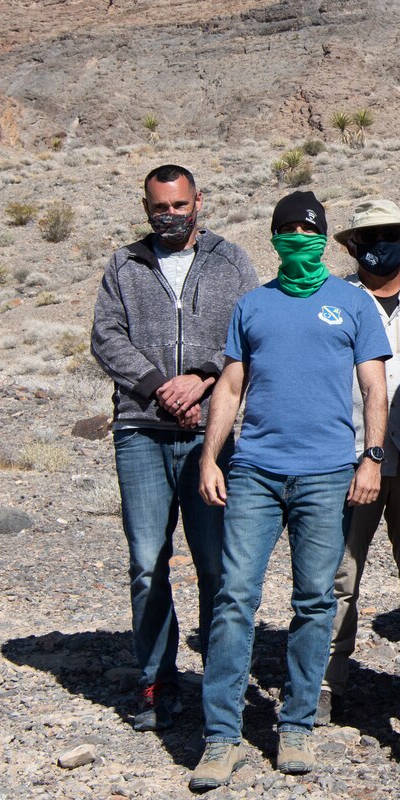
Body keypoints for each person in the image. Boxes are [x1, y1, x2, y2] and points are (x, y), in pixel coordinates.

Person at [188, 191, 390, 793]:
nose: (298, 238)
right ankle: (221, 737)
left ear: (324, 239)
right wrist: (210, 456)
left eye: (308, 231)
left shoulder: (353, 304)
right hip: (254, 471)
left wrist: (370, 459)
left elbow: (376, 390)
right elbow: (229, 387)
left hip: (327, 473)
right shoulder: (252, 307)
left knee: (315, 602)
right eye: (287, 231)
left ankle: (296, 723)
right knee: (233, 600)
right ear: (273, 239)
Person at [90, 164, 259, 732]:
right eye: (159, 206)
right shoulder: (124, 263)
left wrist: (203, 376)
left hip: (213, 435)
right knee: (146, 562)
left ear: (198, 203)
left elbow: (248, 330)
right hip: (142, 430)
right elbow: (106, 336)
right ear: (146, 206)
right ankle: (157, 679)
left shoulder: (230, 260)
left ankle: (219, 680)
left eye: (179, 205)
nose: (169, 214)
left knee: (217, 564)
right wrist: (160, 386)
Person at [320, 199, 400, 725]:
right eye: (368, 237)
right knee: (338, 573)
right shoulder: (332, 301)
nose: (379, 246)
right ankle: (324, 680)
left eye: (389, 235)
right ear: (350, 247)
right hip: (348, 455)